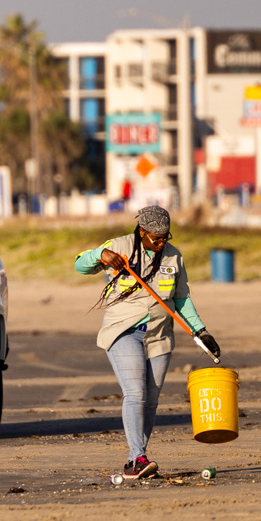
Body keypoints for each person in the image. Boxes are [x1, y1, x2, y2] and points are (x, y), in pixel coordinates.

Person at [74, 205, 219, 481]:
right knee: (135, 392)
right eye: (156, 237)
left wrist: (201, 331)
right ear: (141, 232)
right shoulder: (119, 246)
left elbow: (181, 298)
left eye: (166, 237)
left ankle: (137, 458)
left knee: (151, 400)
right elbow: (80, 264)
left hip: (160, 335)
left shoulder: (174, 257)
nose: (161, 242)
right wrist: (100, 255)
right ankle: (137, 458)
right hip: (123, 331)